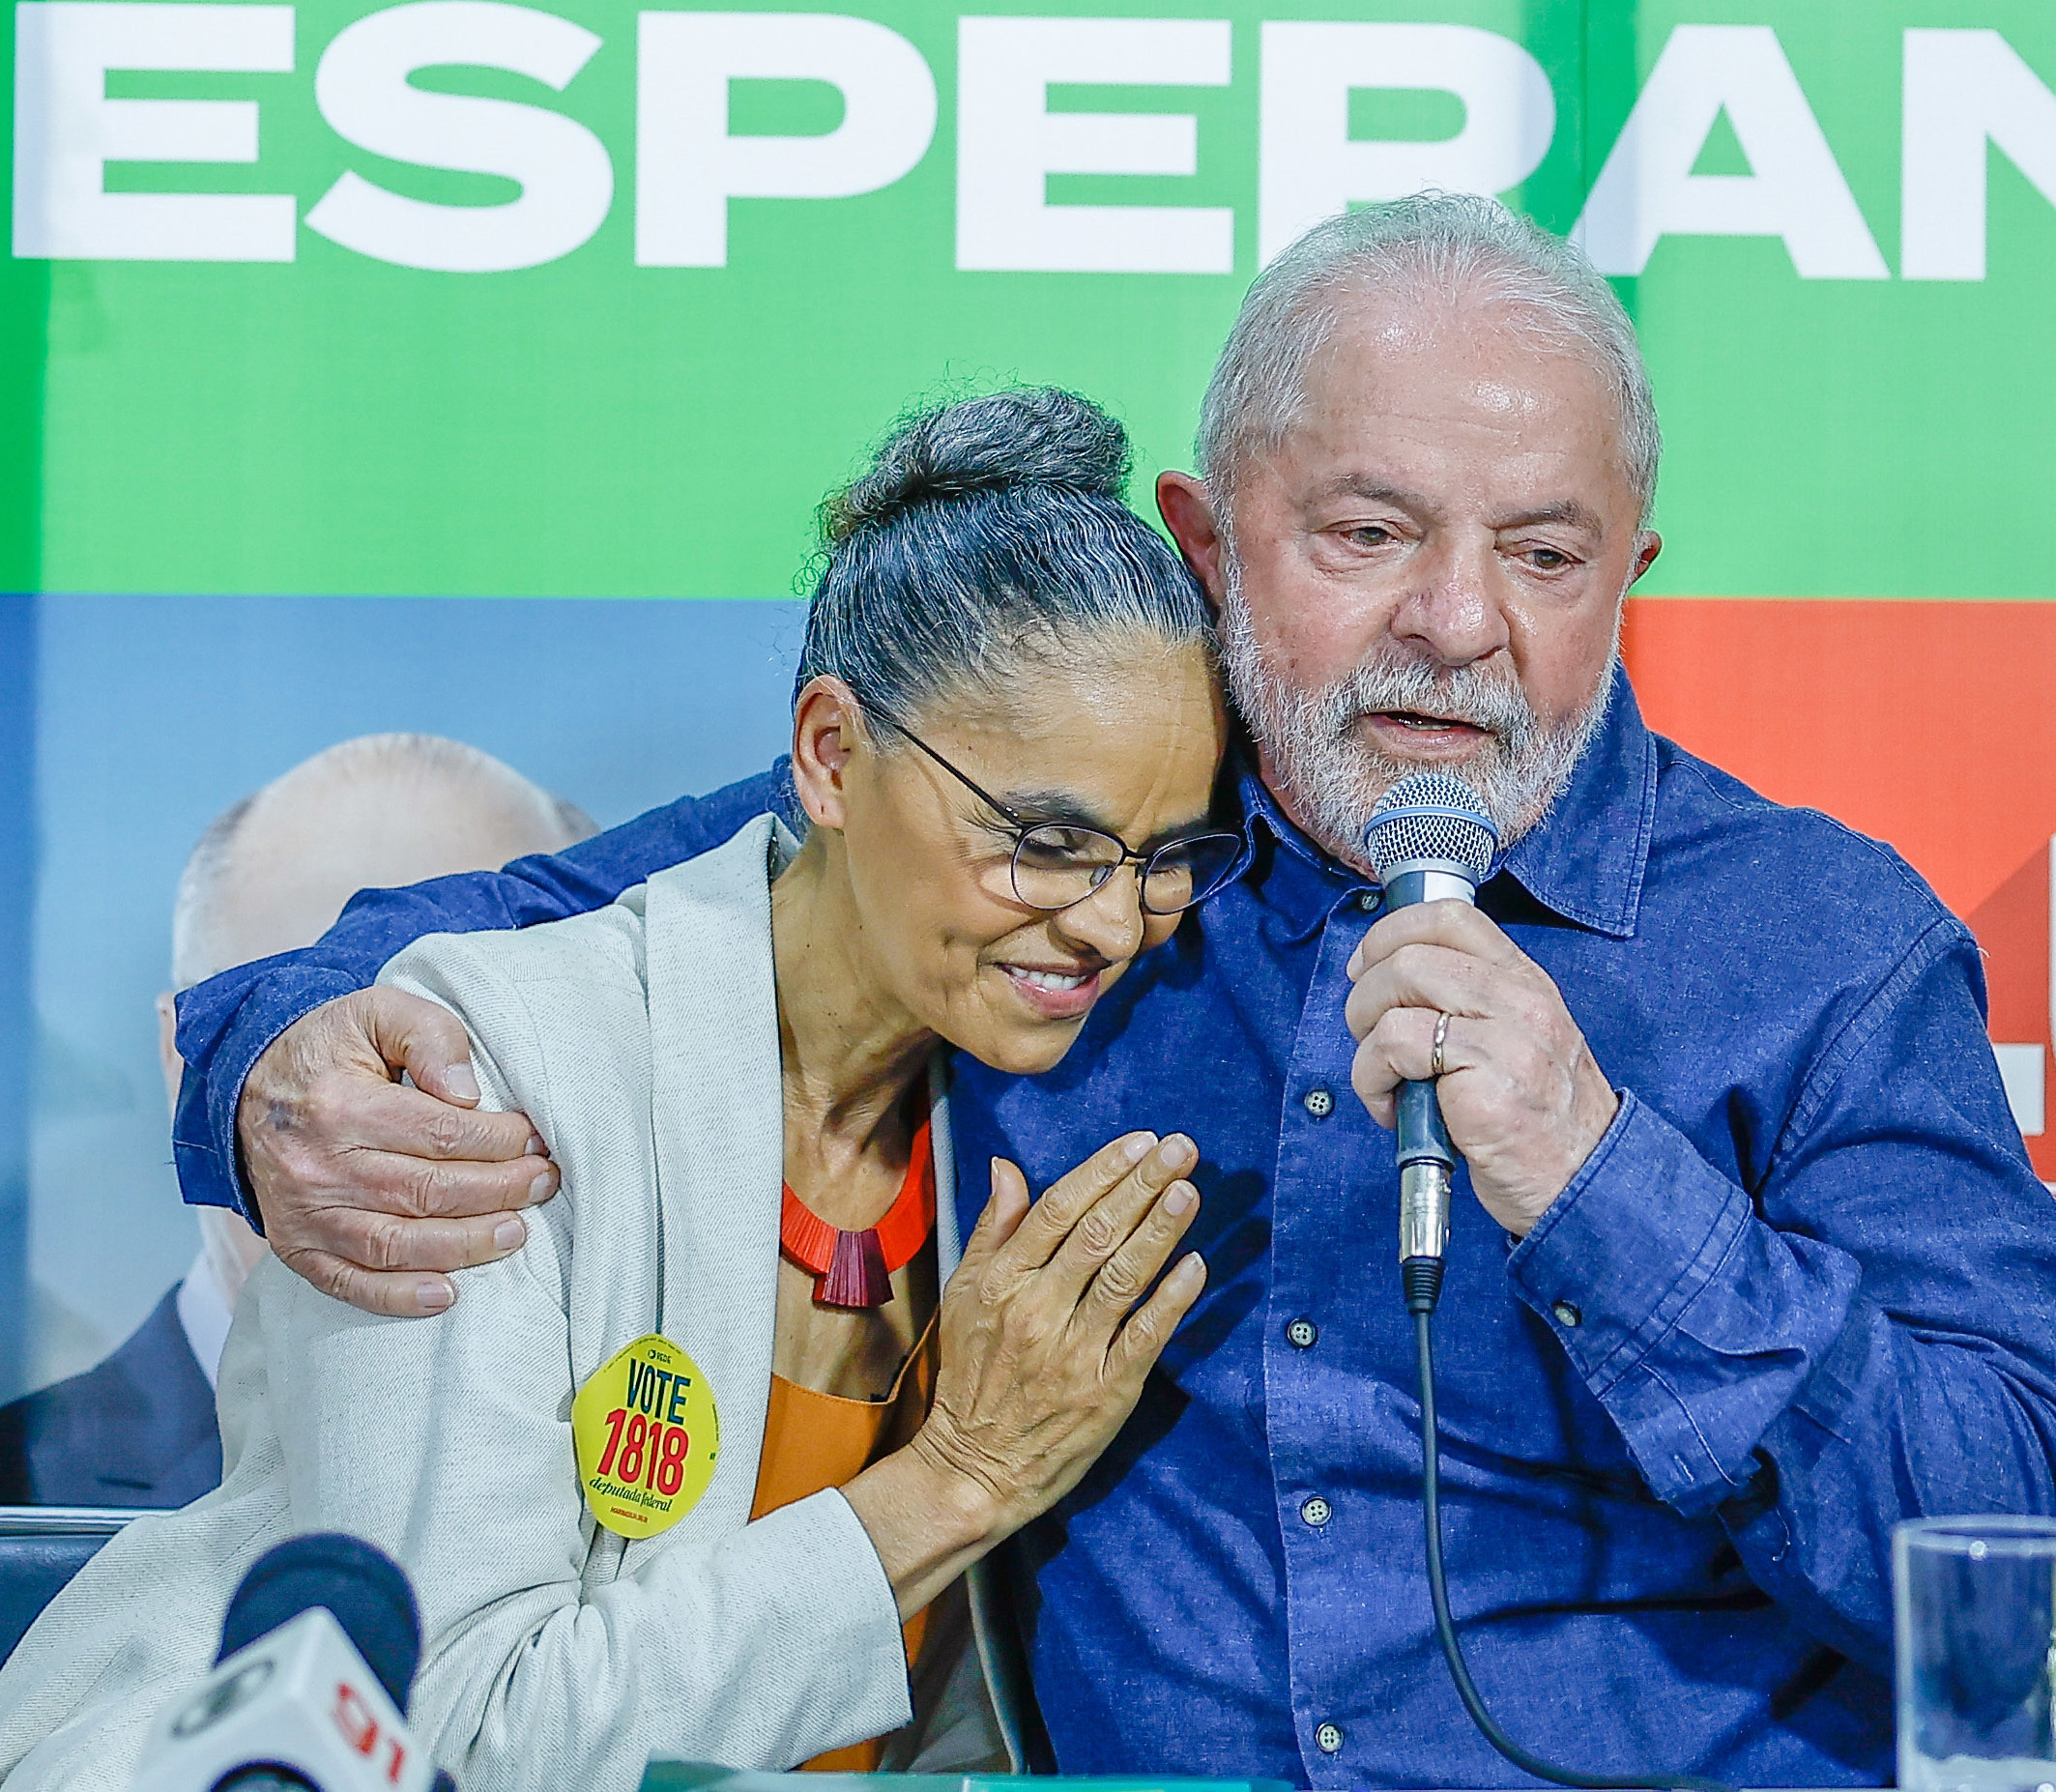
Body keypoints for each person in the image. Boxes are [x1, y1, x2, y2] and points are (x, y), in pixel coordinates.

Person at [161, 194, 2056, 1784]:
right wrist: (272, 1072)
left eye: (1545, 554)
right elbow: (509, 931)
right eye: (1368, 534)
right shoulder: (1044, 852)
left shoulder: (1822, 944)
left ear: (1630, 573)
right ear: (1204, 544)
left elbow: (2033, 1565)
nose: (1458, 622)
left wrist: (1604, 1177)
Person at [0, 388, 1227, 1786]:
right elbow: (455, 1739)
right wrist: (959, 1482)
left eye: (1168, 857)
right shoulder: (473, 1081)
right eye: (1047, 840)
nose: (1114, 922)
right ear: (830, 755)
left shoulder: (1011, 1119)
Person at [0, 735, 593, 1507]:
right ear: (182, 1064)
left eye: (481, 1054)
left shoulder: (672, 1498)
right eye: (294, 1039)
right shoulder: (20, 1496)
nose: (395, 1127)